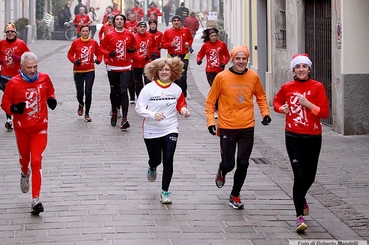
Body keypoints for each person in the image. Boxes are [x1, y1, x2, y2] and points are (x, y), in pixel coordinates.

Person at [205, 45, 271, 210]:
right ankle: (222, 169)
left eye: (244, 59)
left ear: (247, 60)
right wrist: (210, 122)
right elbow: (210, 101)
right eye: (237, 58)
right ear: (232, 59)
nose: (241, 62)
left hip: (247, 126)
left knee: (243, 162)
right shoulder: (221, 77)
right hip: (227, 126)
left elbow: (261, 96)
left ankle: (235, 194)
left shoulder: (253, 77)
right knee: (229, 164)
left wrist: (265, 113)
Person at [273, 54, 329, 233]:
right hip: (293, 136)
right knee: (299, 175)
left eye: (305, 67)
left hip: (313, 137)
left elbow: (325, 113)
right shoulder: (287, 87)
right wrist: (282, 108)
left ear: (309, 69)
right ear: (294, 70)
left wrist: (308, 104)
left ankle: (301, 196)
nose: (302, 70)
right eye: (298, 67)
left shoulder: (318, 87)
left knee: (310, 177)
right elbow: (276, 101)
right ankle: (299, 217)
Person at [0, 52, 57, 214]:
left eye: (35, 67)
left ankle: (35, 200)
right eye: (29, 68)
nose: (32, 71)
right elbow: (5, 103)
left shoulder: (44, 78)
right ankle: (24, 173)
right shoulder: (13, 83)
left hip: (40, 128)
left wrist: (51, 99)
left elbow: (51, 91)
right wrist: (14, 109)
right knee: (25, 160)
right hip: (22, 129)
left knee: (36, 160)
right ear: (21, 68)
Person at [135, 57, 190, 204]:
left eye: (167, 69)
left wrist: (184, 110)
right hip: (151, 130)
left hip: (170, 128)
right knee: (156, 159)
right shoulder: (148, 89)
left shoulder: (176, 89)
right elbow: (139, 108)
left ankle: (165, 192)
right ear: (156, 72)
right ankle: (152, 166)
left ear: (172, 72)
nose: (164, 72)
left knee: (168, 159)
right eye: (161, 70)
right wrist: (153, 115)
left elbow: (180, 104)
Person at [100, 14, 137, 129]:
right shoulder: (109, 35)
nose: (120, 21)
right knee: (114, 91)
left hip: (125, 67)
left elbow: (135, 47)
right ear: (114, 22)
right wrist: (108, 54)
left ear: (124, 22)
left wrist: (132, 50)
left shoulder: (129, 34)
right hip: (112, 67)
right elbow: (101, 48)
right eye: (117, 20)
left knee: (123, 91)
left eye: (121, 19)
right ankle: (114, 110)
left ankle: (125, 117)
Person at [0, 22, 30, 130]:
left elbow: (28, 56)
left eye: (12, 31)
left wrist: (20, 58)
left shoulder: (21, 43)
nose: (10, 33)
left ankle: (20, 116)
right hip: (5, 76)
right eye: (8, 32)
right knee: (8, 98)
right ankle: (9, 120)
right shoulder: (1, 43)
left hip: (17, 76)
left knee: (18, 98)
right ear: (5, 33)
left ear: (15, 33)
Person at [67, 25, 102, 122]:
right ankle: (81, 103)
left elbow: (99, 53)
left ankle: (87, 113)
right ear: (80, 32)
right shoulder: (76, 42)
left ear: (89, 32)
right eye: (83, 31)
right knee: (80, 92)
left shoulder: (93, 43)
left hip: (90, 70)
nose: (85, 33)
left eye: (87, 31)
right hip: (78, 70)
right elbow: (70, 54)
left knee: (88, 91)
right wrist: (74, 60)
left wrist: (98, 60)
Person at [161, 15, 193, 97]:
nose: (176, 22)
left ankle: (183, 94)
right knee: (173, 75)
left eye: (178, 20)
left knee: (183, 76)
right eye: (174, 20)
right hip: (172, 57)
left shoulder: (186, 30)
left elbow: (190, 39)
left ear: (181, 22)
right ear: (172, 22)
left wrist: (188, 44)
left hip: (184, 56)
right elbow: (163, 44)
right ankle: (174, 93)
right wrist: (170, 44)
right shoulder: (168, 32)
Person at [131, 21, 155, 101]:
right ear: (137, 28)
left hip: (147, 64)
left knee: (148, 82)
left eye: (144, 27)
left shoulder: (150, 36)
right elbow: (132, 52)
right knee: (138, 83)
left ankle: (148, 98)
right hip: (136, 64)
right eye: (140, 27)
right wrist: (141, 57)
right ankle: (140, 98)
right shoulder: (133, 37)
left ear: (146, 28)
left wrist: (154, 53)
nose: (142, 28)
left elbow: (154, 46)